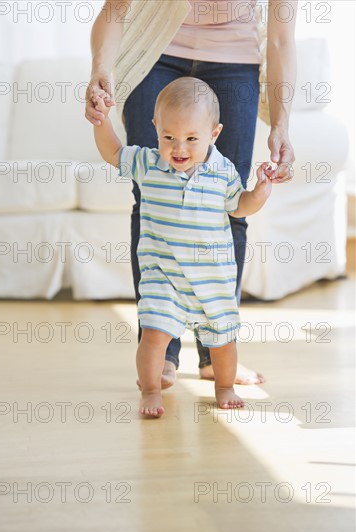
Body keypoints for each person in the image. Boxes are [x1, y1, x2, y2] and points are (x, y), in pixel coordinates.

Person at [85, 0, 297, 389]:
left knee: (231, 208)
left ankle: (214, 353)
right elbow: (115, 9)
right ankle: (159, 350)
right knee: (150, 192)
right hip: (156, 53)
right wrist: (101, 69)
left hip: (235, 62)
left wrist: (282, 123)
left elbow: (281, 39)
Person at [93, 76, 279, 417]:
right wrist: (102, 121)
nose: (179, 149)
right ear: (156, 128)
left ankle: (223, 387)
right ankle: (150, 390)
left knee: (223, 342)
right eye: (169, 137)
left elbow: (239, 206)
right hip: (164, 275)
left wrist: (261, 191)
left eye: (192, 139)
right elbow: (113, 152)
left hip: (213, 278)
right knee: (154, 335)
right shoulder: (148, 163)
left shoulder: (223, 171)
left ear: (214, 134)